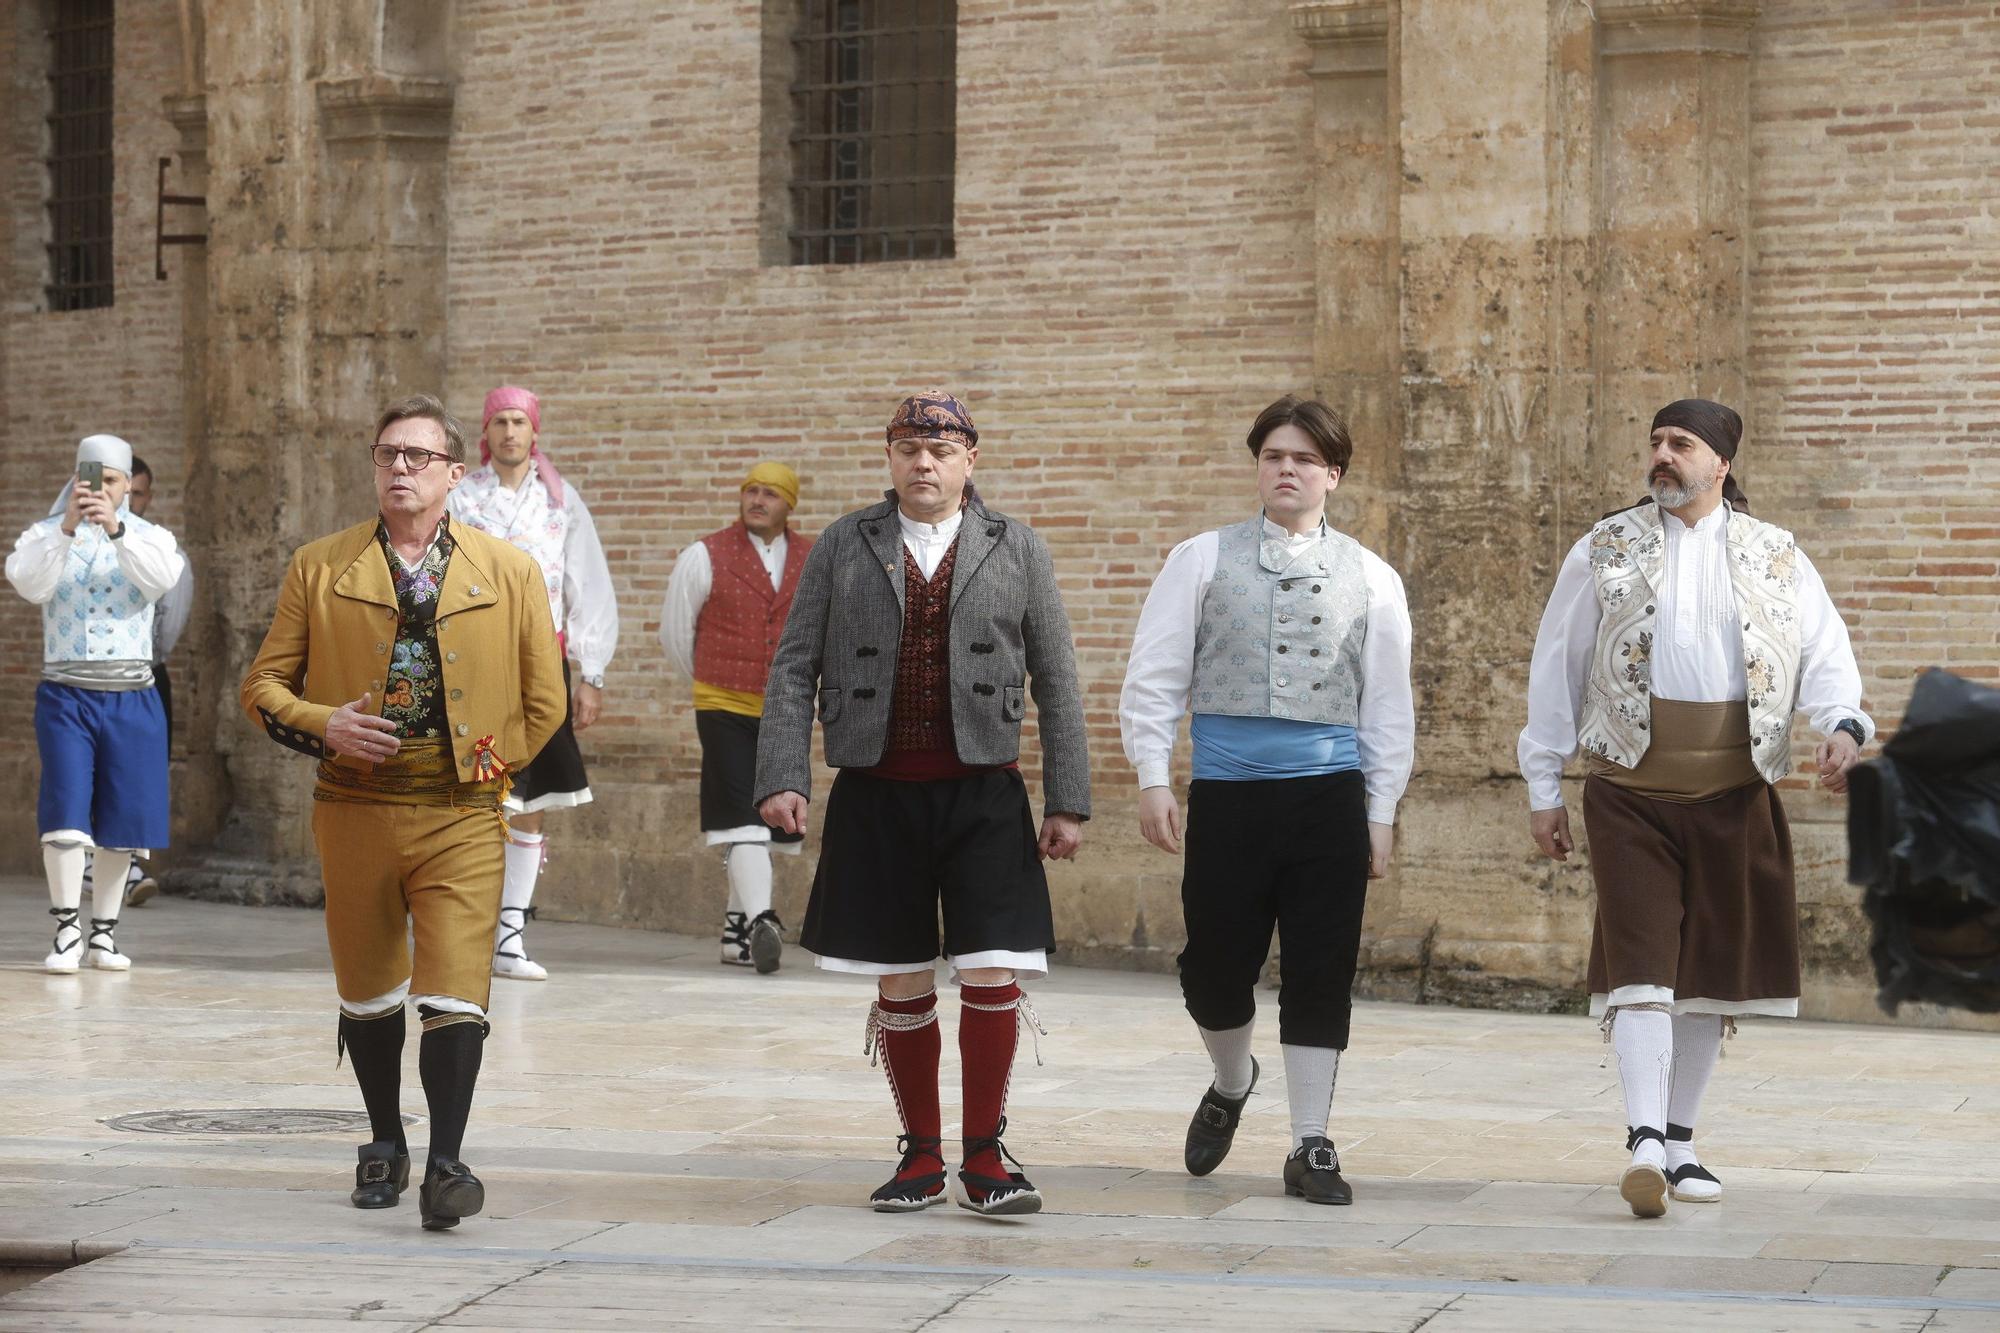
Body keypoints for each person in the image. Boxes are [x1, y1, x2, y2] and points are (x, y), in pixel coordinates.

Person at [1519, 398, 1873, 1218]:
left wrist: (1843, 728)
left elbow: (1825, 654)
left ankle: (1680, 1142)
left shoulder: (1779, 555)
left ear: (1721, 463)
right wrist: (1544, 785)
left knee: (1710, 973)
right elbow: (1557, 668)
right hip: (1629, 790)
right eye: (1655, 443)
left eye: (1681, 444)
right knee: (1641, 962)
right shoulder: (1602, 548)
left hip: (1734, 789)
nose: (1662, 456)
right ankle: (1643, 1138)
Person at [755, 389, 1089, 1216]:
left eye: (941, 448)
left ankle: (985, 1154)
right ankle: (921, 1154)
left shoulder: (1019, 547)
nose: (924, 462)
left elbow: (1058, 676)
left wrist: (1068, 798)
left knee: (991, 968)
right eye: (908, 447)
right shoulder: (843, 543)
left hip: (986, 789)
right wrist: (781, 774)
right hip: (878, 788)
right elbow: (795, 664)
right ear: (891, 458)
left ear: (971, 457)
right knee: (901, 978)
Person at [240, 393, 564, 1230]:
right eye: (388, 455)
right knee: (370, 988)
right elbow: (264, 685)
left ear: (457, 473)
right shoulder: (320, 566)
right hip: (354, 806)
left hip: (462, 810)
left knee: (458, 990)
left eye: (419, 457)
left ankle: (448, 1160)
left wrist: (488, 765)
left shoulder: (511, 569)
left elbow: (544, 698)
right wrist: (327, 724)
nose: (401, 470)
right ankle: (384, 1137)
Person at [1119, 395, 1414, 1206]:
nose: (1287, 468)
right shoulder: (1201, 559)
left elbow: (1389, 704)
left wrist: (1379, 812)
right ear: (1259, 467)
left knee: (1323, 970)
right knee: (1212, 973)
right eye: (1274, 455)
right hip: (1228, 797)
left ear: (1333, 476)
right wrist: (1153, 774)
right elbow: (1155, 674)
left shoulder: (1374, 577)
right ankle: (1231, 1076)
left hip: (1328, 798)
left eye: (1305, 459)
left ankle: (1311, 1140)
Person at [449, 385, 619, 981]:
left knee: (533, 803)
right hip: (471, 663)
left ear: (534, 432)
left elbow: (588, 585)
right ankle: (463, 931)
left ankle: (510, 937)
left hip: (542, 665)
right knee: (477, 795)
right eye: (499, 421)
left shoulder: (560, 501)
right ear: (486, 432)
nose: (510, 432)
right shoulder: (461, 500)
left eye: (519, 421)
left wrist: (591, 675)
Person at [8, 434, 184, 971]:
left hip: (132, 694)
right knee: (64, 807)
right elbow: (29, 583)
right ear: (75, 477)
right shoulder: (45, 534)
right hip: (66, 693)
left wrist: (116, 527)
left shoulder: (151, 537)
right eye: (91, 479)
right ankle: (66, 931)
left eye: (110, 481)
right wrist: (67, 528)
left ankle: (104, 935)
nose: (98, 490)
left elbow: (161, 581)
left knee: (123, 819)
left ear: (128, 484)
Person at [659, 462, 813, 972]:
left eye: (769, 493)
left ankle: (735, 935)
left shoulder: (813, 559)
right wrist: (712, 678)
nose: (757, 500)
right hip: (722, 703)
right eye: (750, 491)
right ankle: (763, 919)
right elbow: (677, 635)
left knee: (769, 817)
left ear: (789, 503)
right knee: (742, 817)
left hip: (784, 712)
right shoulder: (704, 554)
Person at [104, 454, 191, 907]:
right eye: (122, 491)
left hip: (145, 675)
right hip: (90, 679)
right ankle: (103, 867)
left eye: (137, 493)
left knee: (140, 774)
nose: (128, 502)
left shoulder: (163, 549)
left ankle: (131, 864)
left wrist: (147, 660)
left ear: (147, 496)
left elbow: (172, 621)